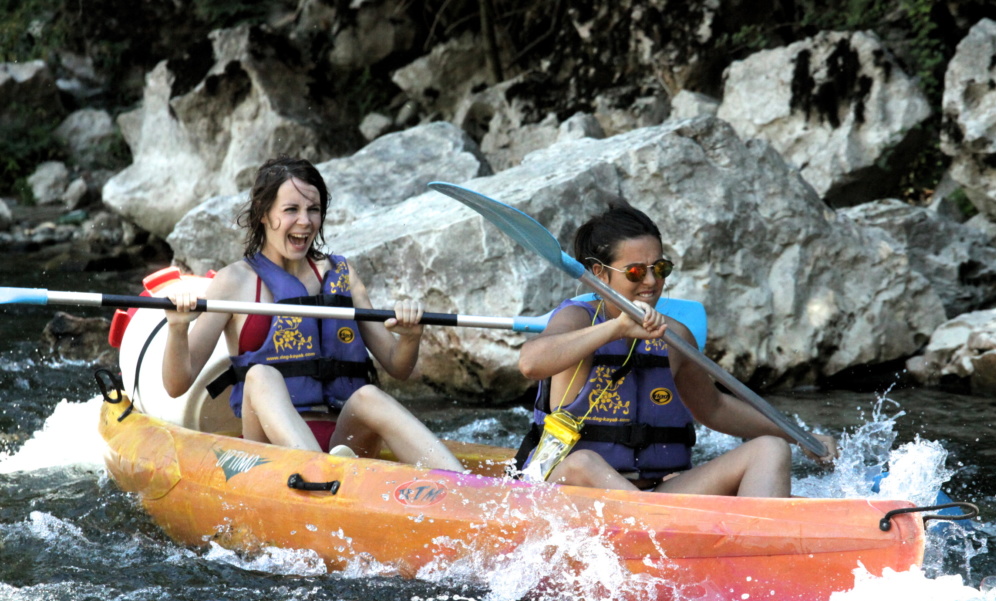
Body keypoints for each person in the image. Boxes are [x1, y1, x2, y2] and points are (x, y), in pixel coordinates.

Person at [161, 155, 463, 472]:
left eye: (313, 209)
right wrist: (177, 329)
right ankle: (320, 474)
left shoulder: (342, 275)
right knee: (261, 376)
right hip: (269, 448)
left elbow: (398, 366)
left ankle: (464, 486)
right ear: (263, 213)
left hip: (344, 439)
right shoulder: (233, 282)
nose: (305, 221)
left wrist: (410, 337)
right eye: (291, 209)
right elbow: (176, 385)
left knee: (369, 395)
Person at [516, 198, 836, 496]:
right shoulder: (578, 318)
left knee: (770, 449)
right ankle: (651, 521)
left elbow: (714, 408)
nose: (651, 281)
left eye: (660, 268)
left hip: (652, 496)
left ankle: (756, 537)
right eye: (635, 272)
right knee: (584, 462)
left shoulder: (674, 336)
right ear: (599, 273)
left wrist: (797, 435)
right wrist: (617, 328)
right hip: (571, 490)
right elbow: (531, 363)